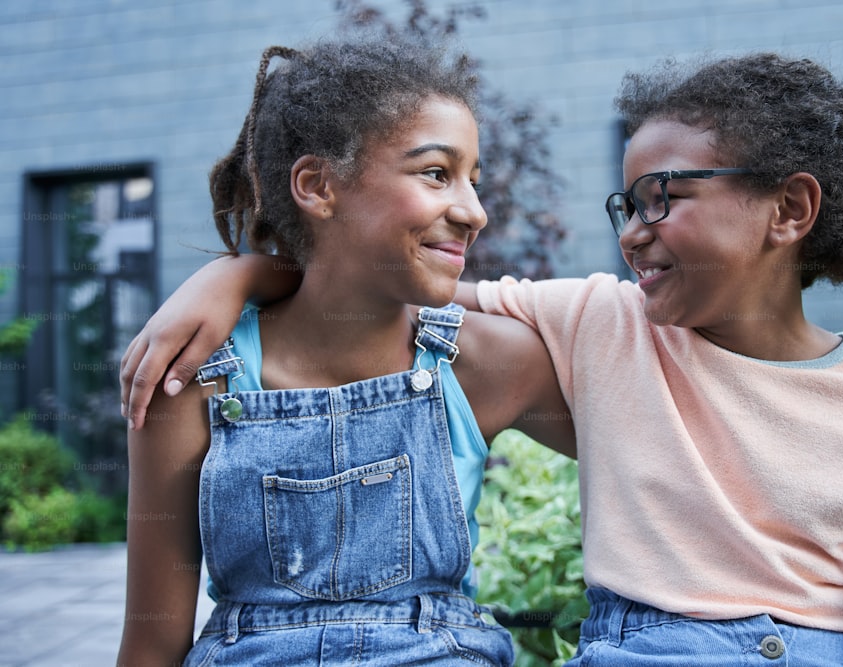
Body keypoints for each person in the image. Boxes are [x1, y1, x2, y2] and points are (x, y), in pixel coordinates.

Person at [118, 53, 843, 665]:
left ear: (789, 209)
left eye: (665, 196)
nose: (631, 229)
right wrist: (233, 274)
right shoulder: (603, 326)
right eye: (628, 201)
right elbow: (367, 282)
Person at [116, 34, 575, 667]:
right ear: (318, 186)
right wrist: (240, 274)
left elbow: (667, 442)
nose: (474, 211)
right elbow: (152, 642)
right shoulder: (194, 379)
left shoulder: (488, 362)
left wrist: (241, 272)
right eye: (437, 173)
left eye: (473, 179)